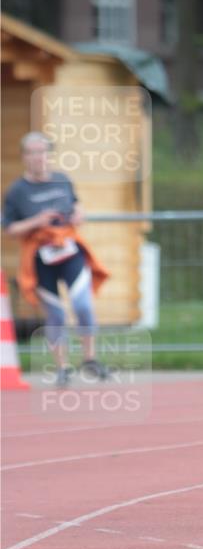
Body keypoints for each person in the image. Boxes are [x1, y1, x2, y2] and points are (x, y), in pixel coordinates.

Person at [2, 131, 111, 387]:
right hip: (40, 259)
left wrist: (78, 215)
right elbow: (9, 229)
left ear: (49, 155)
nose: (39, 158)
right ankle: (62, 367)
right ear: (24, 157)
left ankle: (90, 358)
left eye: (43, 152)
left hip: (69, 252)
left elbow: (77, 206)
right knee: (56, 314)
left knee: (83, 304)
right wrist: (36, 222)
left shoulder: (63, 180)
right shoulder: (17, 191)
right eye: (33, 153)